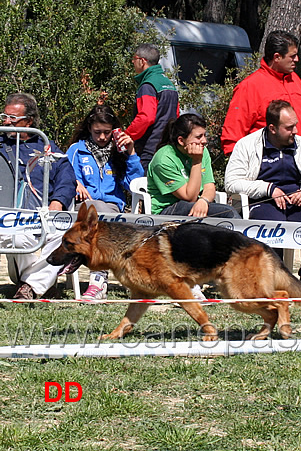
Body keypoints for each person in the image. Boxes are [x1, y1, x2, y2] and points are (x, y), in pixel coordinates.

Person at [225, 100, 301, 287]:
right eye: (289, 127)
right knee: (271, 226)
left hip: (298, 200)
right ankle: (274, 280)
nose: (295, 131)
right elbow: (231, 183)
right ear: (272, 128)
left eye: (296, 125)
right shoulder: (247, 145)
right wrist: (268, 189)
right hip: (262, 200)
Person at [0, 93, 76, 300]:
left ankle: (30, 286)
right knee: (15, 237)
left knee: (64, 235)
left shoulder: (46, 146)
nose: (6, 122)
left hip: (42, 215)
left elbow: (67, 178)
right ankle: (41, 285)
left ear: (29, 121)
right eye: (4, 117)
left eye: (12, 119)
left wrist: (58, 202)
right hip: (8, 217)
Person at [67, 104, 144, 299]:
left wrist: (131, 152)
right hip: (83, 208)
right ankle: (98, 281)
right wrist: (76, 183)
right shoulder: (77, 150)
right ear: (89, 129)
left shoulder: (118, 151)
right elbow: (65, 173)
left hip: (112, 208)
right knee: (95, 218)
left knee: (103, 217)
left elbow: (134, 183)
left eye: (107, 133)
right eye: (97, 132)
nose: (102, 137)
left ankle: (101, 281)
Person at [221, 30, 301, 155]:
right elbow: (232, 136)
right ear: (277, 57)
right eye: (292, 56)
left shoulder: (295, 80)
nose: (296, 59)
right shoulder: (250, 86)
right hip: (269, 165)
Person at [147, 113, 239, 219]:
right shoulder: (163, 159)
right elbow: (189, 197)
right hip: (168, 209)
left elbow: (209, 187)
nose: (204, 141)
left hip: (196, 201)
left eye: (205, 135)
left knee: (225, 212)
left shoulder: (202, 152)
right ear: (181, 141)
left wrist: (203, 200)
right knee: (228, 212)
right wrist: (196, 161)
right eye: (199, 137)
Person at [127, 43, 179, 171]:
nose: (133, 62)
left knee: (144, 186)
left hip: (149, 149)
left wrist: (127, 136)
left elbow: (146, 117)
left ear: (142, 61)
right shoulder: (169, 84)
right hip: (168, 148)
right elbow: (176, 116)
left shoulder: (147, 86)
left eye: (134, 59)